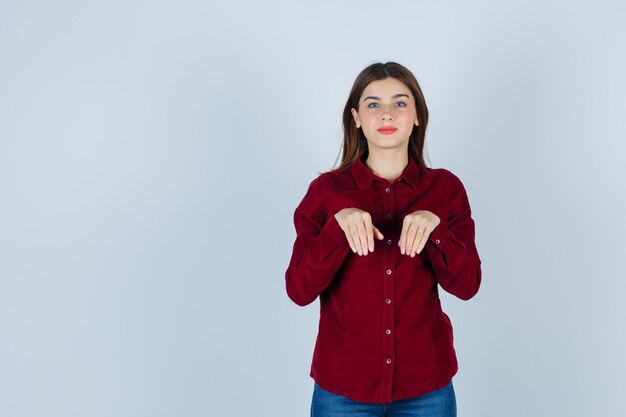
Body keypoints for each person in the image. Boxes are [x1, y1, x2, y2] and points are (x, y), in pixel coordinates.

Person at [284, 61, 482, 417]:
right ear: (356, 117)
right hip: (343, 392)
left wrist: (436, 232)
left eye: (400, 102)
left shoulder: (445, 189)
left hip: (427, 389)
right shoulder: (326, 192)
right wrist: (336, 228)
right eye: (373, 103)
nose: (387, 113)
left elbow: (467, 285)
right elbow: (298, 290)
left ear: (418, 115)